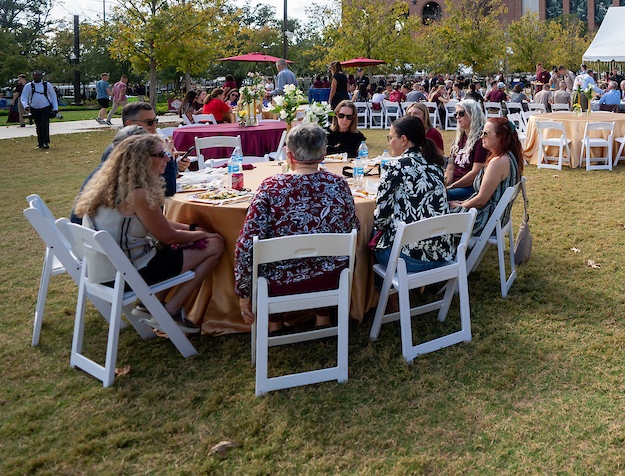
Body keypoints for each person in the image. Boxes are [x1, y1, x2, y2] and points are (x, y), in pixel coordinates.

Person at [74, 133, 225, 332]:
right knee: (216, 245)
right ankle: (171, 309)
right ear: (143, 160)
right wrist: (204, 235)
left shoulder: (111, 186)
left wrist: (192, 230)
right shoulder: (138, 193)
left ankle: (149, 305)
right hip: (129, 274)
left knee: (182, 245)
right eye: (161, 154)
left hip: (107, 271)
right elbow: (169, 236)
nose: (168, 158)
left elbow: (159, 224)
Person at [234, 125, 357, 330]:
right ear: (323, 154)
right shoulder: (339, 184)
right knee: (327, 256)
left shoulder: (270, 187)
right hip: (329, 278)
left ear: (289, 155)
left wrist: (243, 292)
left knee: (269, 256)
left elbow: (247, 244)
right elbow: (353, 228)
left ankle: (274, 323)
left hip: (279, 283)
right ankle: (323, 318)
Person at [371, 116, 451, 271]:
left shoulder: (395, 166)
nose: (389, 142)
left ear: (403, 140)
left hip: (408, 259)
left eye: (391, 137)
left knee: (370, 236)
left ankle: (377, 292)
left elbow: (381, 219)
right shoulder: (435, 166)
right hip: (442, 254)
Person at [449, 116, 524, 235]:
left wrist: (460, 205)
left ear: (501, 137)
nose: (481, 137)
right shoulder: (511, 156)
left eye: (486, 133)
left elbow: (481, 201)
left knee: (435, 214)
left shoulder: (498, 162)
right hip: (495, 218)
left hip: (483, 220)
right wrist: (460, 203)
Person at [445, 98, 487, 201]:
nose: (458, 117)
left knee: (438, 197)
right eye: (456, 115)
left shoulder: (481, 141)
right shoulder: (459, 139)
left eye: (461, 113)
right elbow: (451, 167)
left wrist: (452, 187)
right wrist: (446, 183)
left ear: (472, 114)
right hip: (456, 184)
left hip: (470, 187)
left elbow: (475, 173)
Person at [21, 70, 59, 150]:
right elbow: (24, 97)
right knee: (38, 126)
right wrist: (26, 106)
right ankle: (40, 142)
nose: (37, 78)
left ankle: (45, 142)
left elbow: (53, 96)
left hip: (46, 107)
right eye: (35, 76)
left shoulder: (47, 85)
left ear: (41, 77)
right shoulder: (28, 86)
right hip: (34, 108)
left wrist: (55, 109)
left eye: (38, 76)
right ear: (33, 77)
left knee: (44, 125)